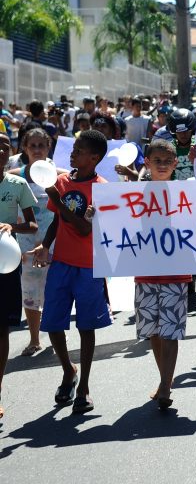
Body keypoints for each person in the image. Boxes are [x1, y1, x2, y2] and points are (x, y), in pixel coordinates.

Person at [30, 130, 112, 414]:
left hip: (89, 267)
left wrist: (56, 194)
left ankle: (85, 386)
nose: (73, 154)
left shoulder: (102, 188)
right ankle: (68, 369)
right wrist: (45, 245)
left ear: (94, 158)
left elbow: (83, 227)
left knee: (86, 326)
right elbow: (57, 221)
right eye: (73, 149)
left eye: (79, 150)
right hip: (61, 264)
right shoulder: (62, 182)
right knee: (53, 323)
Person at [133, 140, 196, 410]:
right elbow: (121, 226)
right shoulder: (133, 195)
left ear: (176, 163)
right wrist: (97, 216)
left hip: (175, 274)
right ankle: (164, 379)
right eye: (158, 160)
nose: (163, 165)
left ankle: (167, 385)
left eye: (168, 160)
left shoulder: (187, 194)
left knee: (170, 332)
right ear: (147, 162)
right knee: (154, 332)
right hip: (145, 274)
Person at [8, 128, 63, 356]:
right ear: (24, 148)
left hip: (56, 244)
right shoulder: (15, 176)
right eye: (33, 146)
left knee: (56, 292)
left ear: (49, 147)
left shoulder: (61, 175)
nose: (38, 150)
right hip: (25, 247)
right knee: (29, 294)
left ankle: (55, 335)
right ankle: (34, 339)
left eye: (42, 145)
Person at [0, 132, 37, 419]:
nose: (0, 151)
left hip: (5, 266)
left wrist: (12, 227)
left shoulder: (18, 184)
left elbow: (33, 224)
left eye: (4, 147)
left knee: (2, 330)